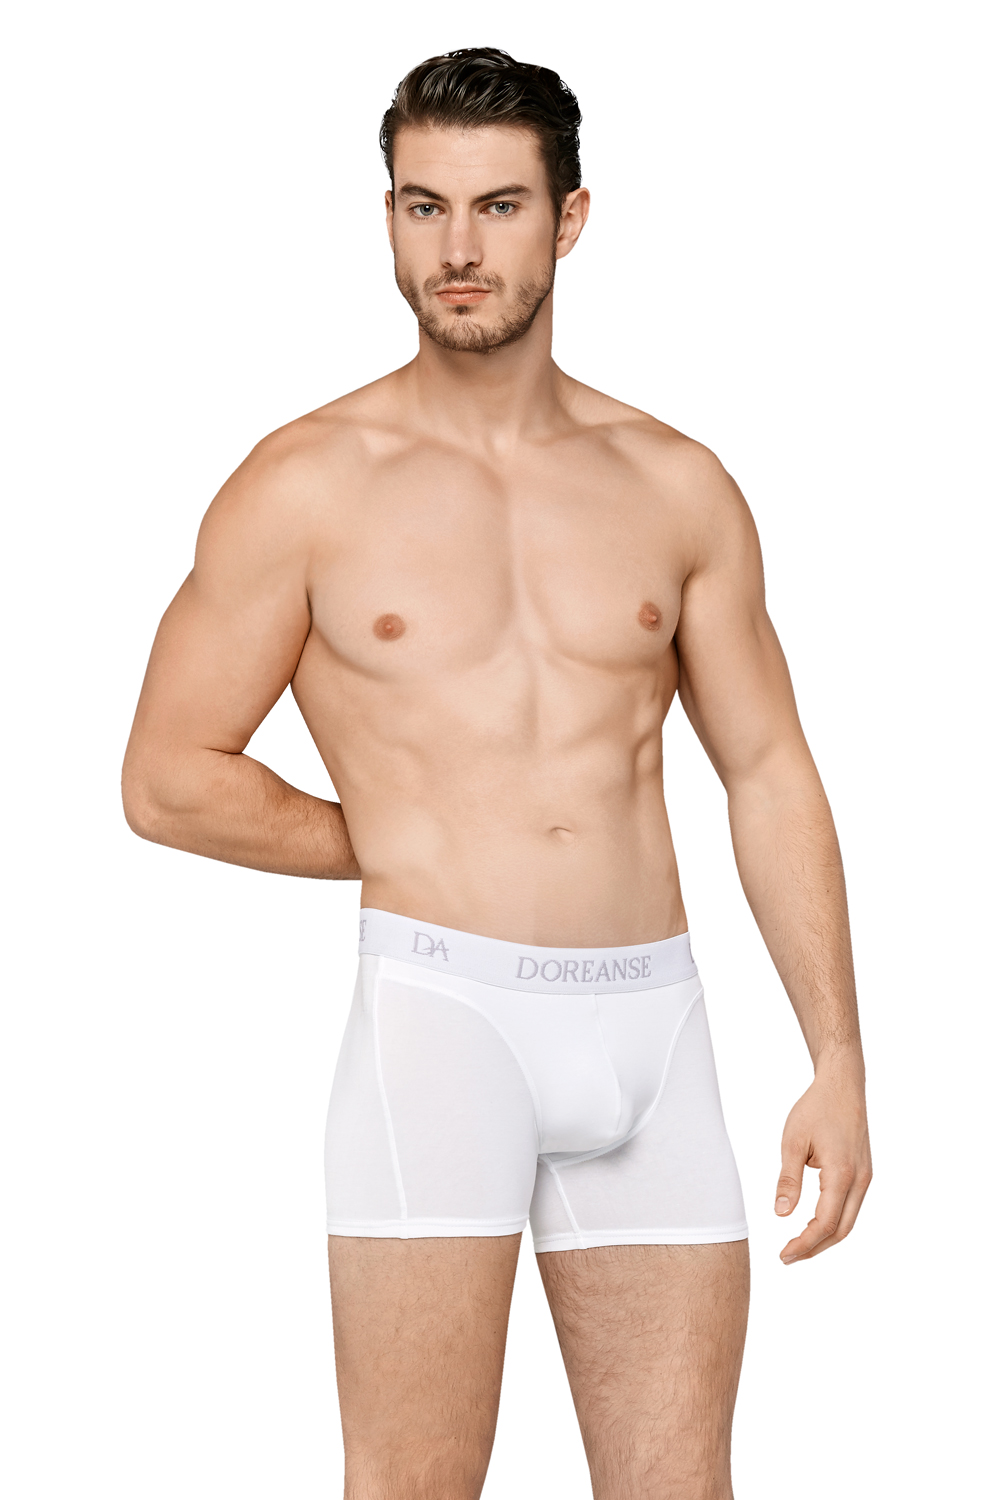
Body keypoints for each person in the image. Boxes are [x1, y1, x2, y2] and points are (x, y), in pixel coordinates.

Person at [122, 46, 871, 1500]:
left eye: (498, 206)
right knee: (415, 1485)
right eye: (424, 206)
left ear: (569, 219)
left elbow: (769, 768)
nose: (457, 248)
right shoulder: (305, 483)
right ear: (389, 216)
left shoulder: (676, 483)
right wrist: (397, 837)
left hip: (657, 1027)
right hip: (442, 1024)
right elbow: (166, 776)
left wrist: (836, 1057)